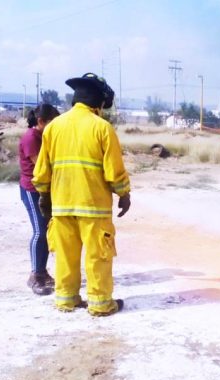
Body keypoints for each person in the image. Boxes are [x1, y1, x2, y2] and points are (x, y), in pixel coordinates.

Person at [32, 73, 131, 317]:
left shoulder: (53, 127)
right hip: (93, 208)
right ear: (98, 103)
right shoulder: (102, 128)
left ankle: (66, 299)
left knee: (65, 255)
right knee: (98, 255)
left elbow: (42, 170)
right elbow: (114, 170)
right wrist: (124, 194)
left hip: (62, 206)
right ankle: (99, 304)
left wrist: (44, 196)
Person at [19, 104, 60, 295]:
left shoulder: (44, 136)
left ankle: (42, 271)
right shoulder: (31, 138)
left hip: (44, 190)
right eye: (52, 122)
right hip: (32, 189)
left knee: (46, 231)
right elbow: (42, 166)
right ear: (41, 121)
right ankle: (35, 275)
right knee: (39, 232)